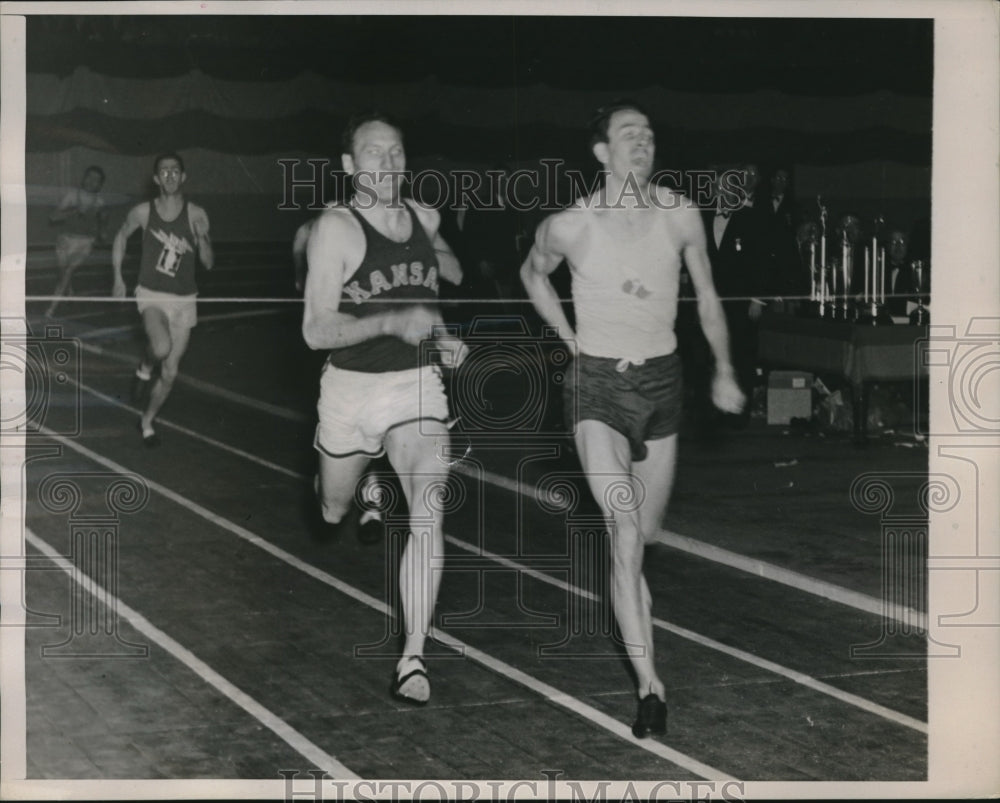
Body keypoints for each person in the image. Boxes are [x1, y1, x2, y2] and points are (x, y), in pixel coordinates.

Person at [520, 101, 744, 737]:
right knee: (621, 530)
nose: (642, 142)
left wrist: (723, 369)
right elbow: (531, 275)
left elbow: (706, 298)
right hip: (597, 388)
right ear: (601, 153)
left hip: (663, 383)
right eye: (628, 134)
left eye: (649, 134)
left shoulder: (679, 214)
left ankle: (638, 626)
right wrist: (567, 336)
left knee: (643, 538)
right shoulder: (570, 225)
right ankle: (650, 687)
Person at [302, 112, 464, 705]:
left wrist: (439, 335)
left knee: (429, 509)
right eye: (374, 153)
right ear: (349, 167)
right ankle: (364, 483)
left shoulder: (423, 216)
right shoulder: (336, 229)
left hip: (415, 386)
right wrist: (393, 320)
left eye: (397, 152)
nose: (389, 163)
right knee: (330, 510)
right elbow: (316, 330)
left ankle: (413, 657)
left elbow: (436, 285)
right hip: (351, 390)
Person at [111, 152, 213, 446]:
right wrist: (118, 276)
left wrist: (204, 239)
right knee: (161, 346)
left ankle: (147, 421)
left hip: (185, 299)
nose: (169, 176)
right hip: (151, 294)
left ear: (183, 177)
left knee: (169, 373)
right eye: (163, 172)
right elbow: (121, 235)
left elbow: (207, 263)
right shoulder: (144, 212)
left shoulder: (197, 214)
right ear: (156, 179)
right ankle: (144, 366)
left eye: (175, 171)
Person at [46, 165, 108, 317]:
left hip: (85, 243)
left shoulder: (100, 202)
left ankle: (51, 309)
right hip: (65, 240)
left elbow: (103, 221)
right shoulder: (72, 196)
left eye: (96, 180)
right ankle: (69, 290)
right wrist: (74, 210)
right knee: (63, 273)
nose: (91, 181)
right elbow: (53, 217)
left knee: (67, 271)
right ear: (83, 178)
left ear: (100, 185)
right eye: (89, 177)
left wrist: (102, 233)